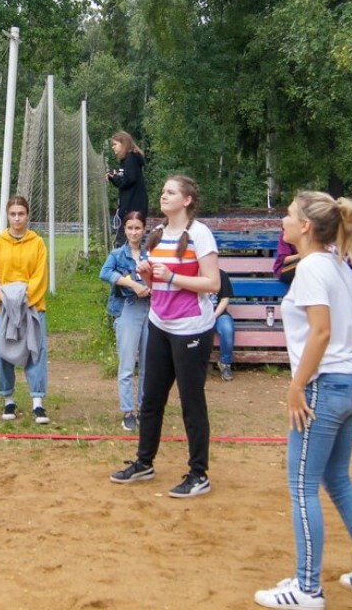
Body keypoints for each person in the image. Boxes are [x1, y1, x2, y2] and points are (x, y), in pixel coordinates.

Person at [253, 191, 352, 608]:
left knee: (302, 487)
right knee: (337, 480)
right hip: (350, 381)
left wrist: (297, 386)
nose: (284, 219)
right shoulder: (338, 265)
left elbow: (321, 332)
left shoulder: (313, 266)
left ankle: (307, 588)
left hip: (324, 386)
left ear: (307, 227)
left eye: (291, 214)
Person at [110, 175, 219, 498]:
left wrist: (172, 276)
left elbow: (212, 284)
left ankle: (199, 473)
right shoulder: (156, 235)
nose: (163, 195)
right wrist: (148, 276)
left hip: (191, 329)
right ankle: (144, 462)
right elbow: (160, 284)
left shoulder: (200, 234)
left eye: (171, 192)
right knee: (151, 399)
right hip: (160, 322)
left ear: (187, 200)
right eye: (162, 191)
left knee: (191, 402)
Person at [0, 195, 51, 425]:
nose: (16, 218)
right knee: (3, 353)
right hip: (1, 308)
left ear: (27, 215)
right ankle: (8, 400)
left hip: (31, 306)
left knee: (36, 351)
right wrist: (5, 298)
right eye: (12, 214)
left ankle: (38, 402)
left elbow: (40, 277)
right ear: (7, 215)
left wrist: (21, 300)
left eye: (21, 214)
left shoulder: (38, 243)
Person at [99, 210, 150, 431]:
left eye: (137, 228)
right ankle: (128, 411)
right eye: (130, 228)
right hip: (127, 309)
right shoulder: (118, 254)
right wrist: (131, 284)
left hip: (152, 310)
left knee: (149, 364)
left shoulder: (152, 253)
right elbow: (105, 273)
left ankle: (145, 408)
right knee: (128, 363)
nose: (133, 232)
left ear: (144, 229)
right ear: (125, 229)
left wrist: (149, 286)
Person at [106, 131, 148, 246]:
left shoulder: (131, 158)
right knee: (126, 242)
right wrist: (114, 178)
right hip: (129, 207)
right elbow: (124, 181)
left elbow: (128, 180)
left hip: (132, 208)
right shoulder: (126, 160)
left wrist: (115, 177)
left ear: (123, 143)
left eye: (115, 144)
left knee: (126, 242)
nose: (113, 148)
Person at [212, 269, 235, 381]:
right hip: (197, 314)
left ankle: (226, 364)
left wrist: (213, 316)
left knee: (227, 329)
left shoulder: (221, 275)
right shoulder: (193, 273)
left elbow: (225, 300)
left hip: (219, 314)